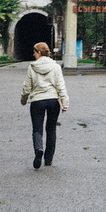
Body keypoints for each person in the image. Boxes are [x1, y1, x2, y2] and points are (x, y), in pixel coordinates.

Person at [19, 41, 69, 169]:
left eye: (34, 52)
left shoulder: (32, 67)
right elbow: (60, 86)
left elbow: (27, 87)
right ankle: (48, 159)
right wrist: (65, 103)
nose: (33, 54)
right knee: (51, 129)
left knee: (37, 129)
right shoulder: (56, 67)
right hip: (53, 101)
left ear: (39, 52)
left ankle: (39, 149)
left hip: (37, 101)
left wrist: (23, 100)